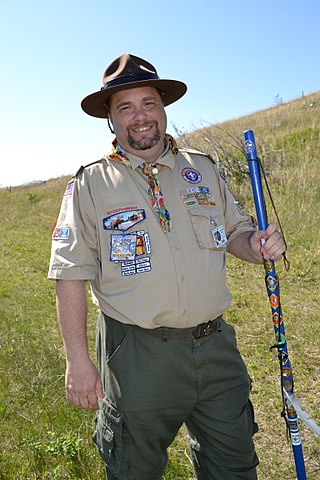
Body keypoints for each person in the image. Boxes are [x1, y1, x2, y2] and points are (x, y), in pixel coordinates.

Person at [48, 53, 286, 480]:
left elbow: (234, 233)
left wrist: (257, 244)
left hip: (216, 349)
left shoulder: (204, 170)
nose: (140, 117)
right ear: (110, 119)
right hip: (136, 357)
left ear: (163, 108)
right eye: (125, 107)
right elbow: (70, 275)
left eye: (149, 103)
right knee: (134, 468)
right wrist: (77, 361)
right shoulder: (89, 185)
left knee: (234, 466)